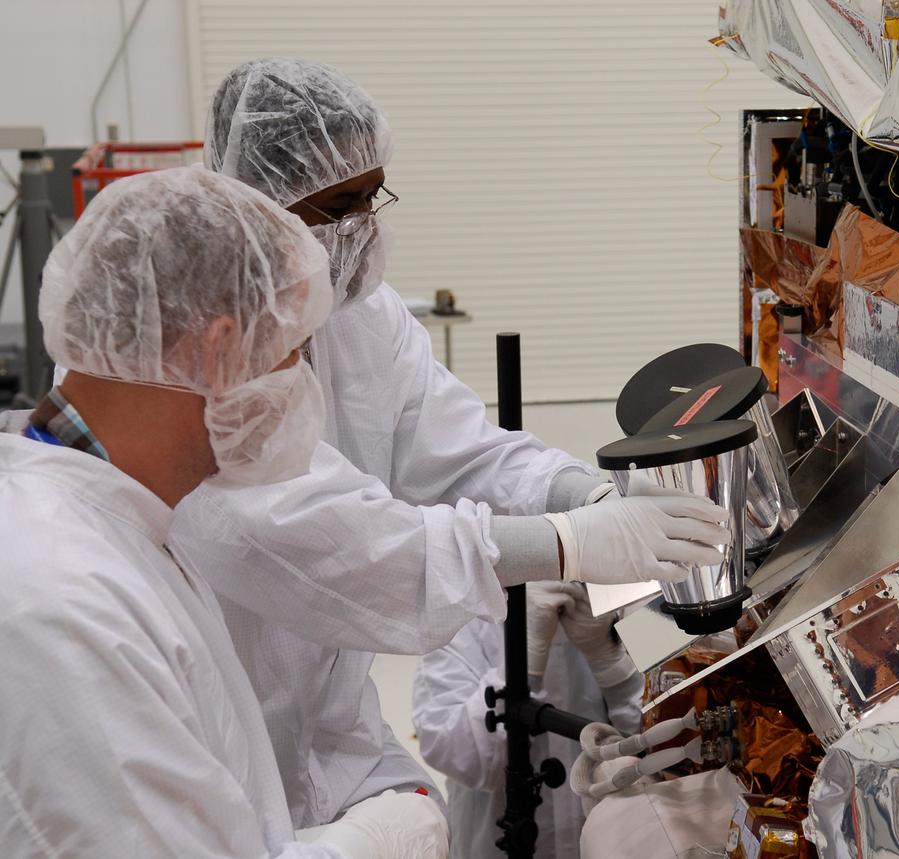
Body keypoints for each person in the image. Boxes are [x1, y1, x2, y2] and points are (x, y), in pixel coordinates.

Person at [167, 57, 728, 831]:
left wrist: (585, 493)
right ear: (262, 206)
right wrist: (565, 542)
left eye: (374, 194)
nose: (367, 224)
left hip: (330, 723)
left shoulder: (362, 317)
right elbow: (350, 550)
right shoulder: (196, 353)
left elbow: (467, 449)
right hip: (215, 734)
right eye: (341, 203)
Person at [0, 167, 445, 857]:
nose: (304, 385)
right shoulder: (61, 607)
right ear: (220, 347)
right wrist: (367, 844)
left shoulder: (127, 533)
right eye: (296, 353)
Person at [413, 582, 642, 858]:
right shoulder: (463, 601)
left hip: (617, 842)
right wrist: (522, 666)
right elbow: (457, 755)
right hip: (496, 843)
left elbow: (673, 741)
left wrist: (612, 663)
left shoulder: (633, 586)